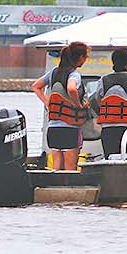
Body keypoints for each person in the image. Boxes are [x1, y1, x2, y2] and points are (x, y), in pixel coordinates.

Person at [31, 41, 89, 171]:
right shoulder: (74, 74)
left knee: (56, 166)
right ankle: (68, 190)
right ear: (80, 57)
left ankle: (54, 188)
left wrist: (48, 103)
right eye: (85, 57)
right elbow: (72, 89)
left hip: (53, 129)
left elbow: (36, 86)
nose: (85, 60)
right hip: (70, 129)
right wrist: (78, 105)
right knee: (70, 167)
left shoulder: (53, 73)